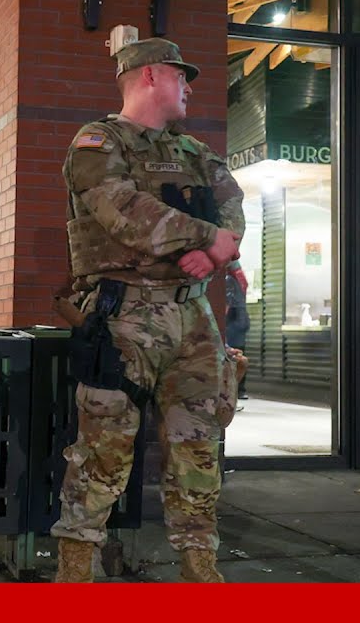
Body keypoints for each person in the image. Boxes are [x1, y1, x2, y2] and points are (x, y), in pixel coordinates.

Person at [51, 36, 244, 583]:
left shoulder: (196, 153)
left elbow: (232, 206)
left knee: (199, 446)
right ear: (151, 75)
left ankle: (200, 567)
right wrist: (207, 239)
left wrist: (216, 251)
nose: (188, 88)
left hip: (193, 317)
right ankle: (75, 570)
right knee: (103, 448)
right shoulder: (97, 143)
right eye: (181, 77)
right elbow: (124, 212)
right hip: (124, 315)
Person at [223, 260, 251, 400]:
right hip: (241, 321)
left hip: (232, 322)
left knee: (232, 357)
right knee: (239, 353)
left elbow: (226, 304)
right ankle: (240, 390)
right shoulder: (240, 280)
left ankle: (234, 392)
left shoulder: (228, 280)